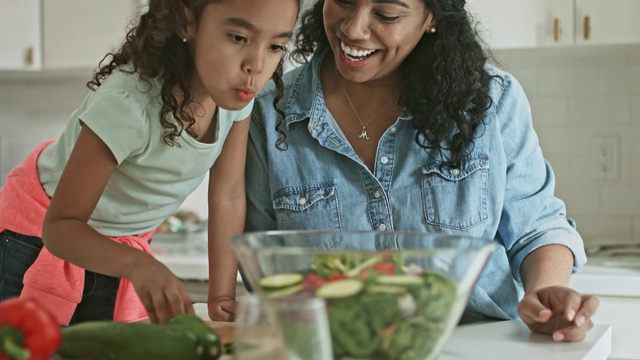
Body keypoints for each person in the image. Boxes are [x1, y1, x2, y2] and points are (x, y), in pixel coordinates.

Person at [241, 0, 599, 342]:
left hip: (481, 344)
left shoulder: (490, 101)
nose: (353, 28)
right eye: (344, 1)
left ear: (432, 18)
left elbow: (536, 226)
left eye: (386, 13)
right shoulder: (270, 113)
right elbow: (263, 262)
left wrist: (545, 291)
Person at [0, 0, 299, 325]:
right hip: (33, 238)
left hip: (114, 251)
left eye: (275, 46)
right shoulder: (129, 104)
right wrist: (138, 265)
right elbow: (60, 228)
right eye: (238, 38)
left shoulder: (235, 96)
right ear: (187, 21)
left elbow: (228, 194)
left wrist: (222, 294)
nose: (255, 66)